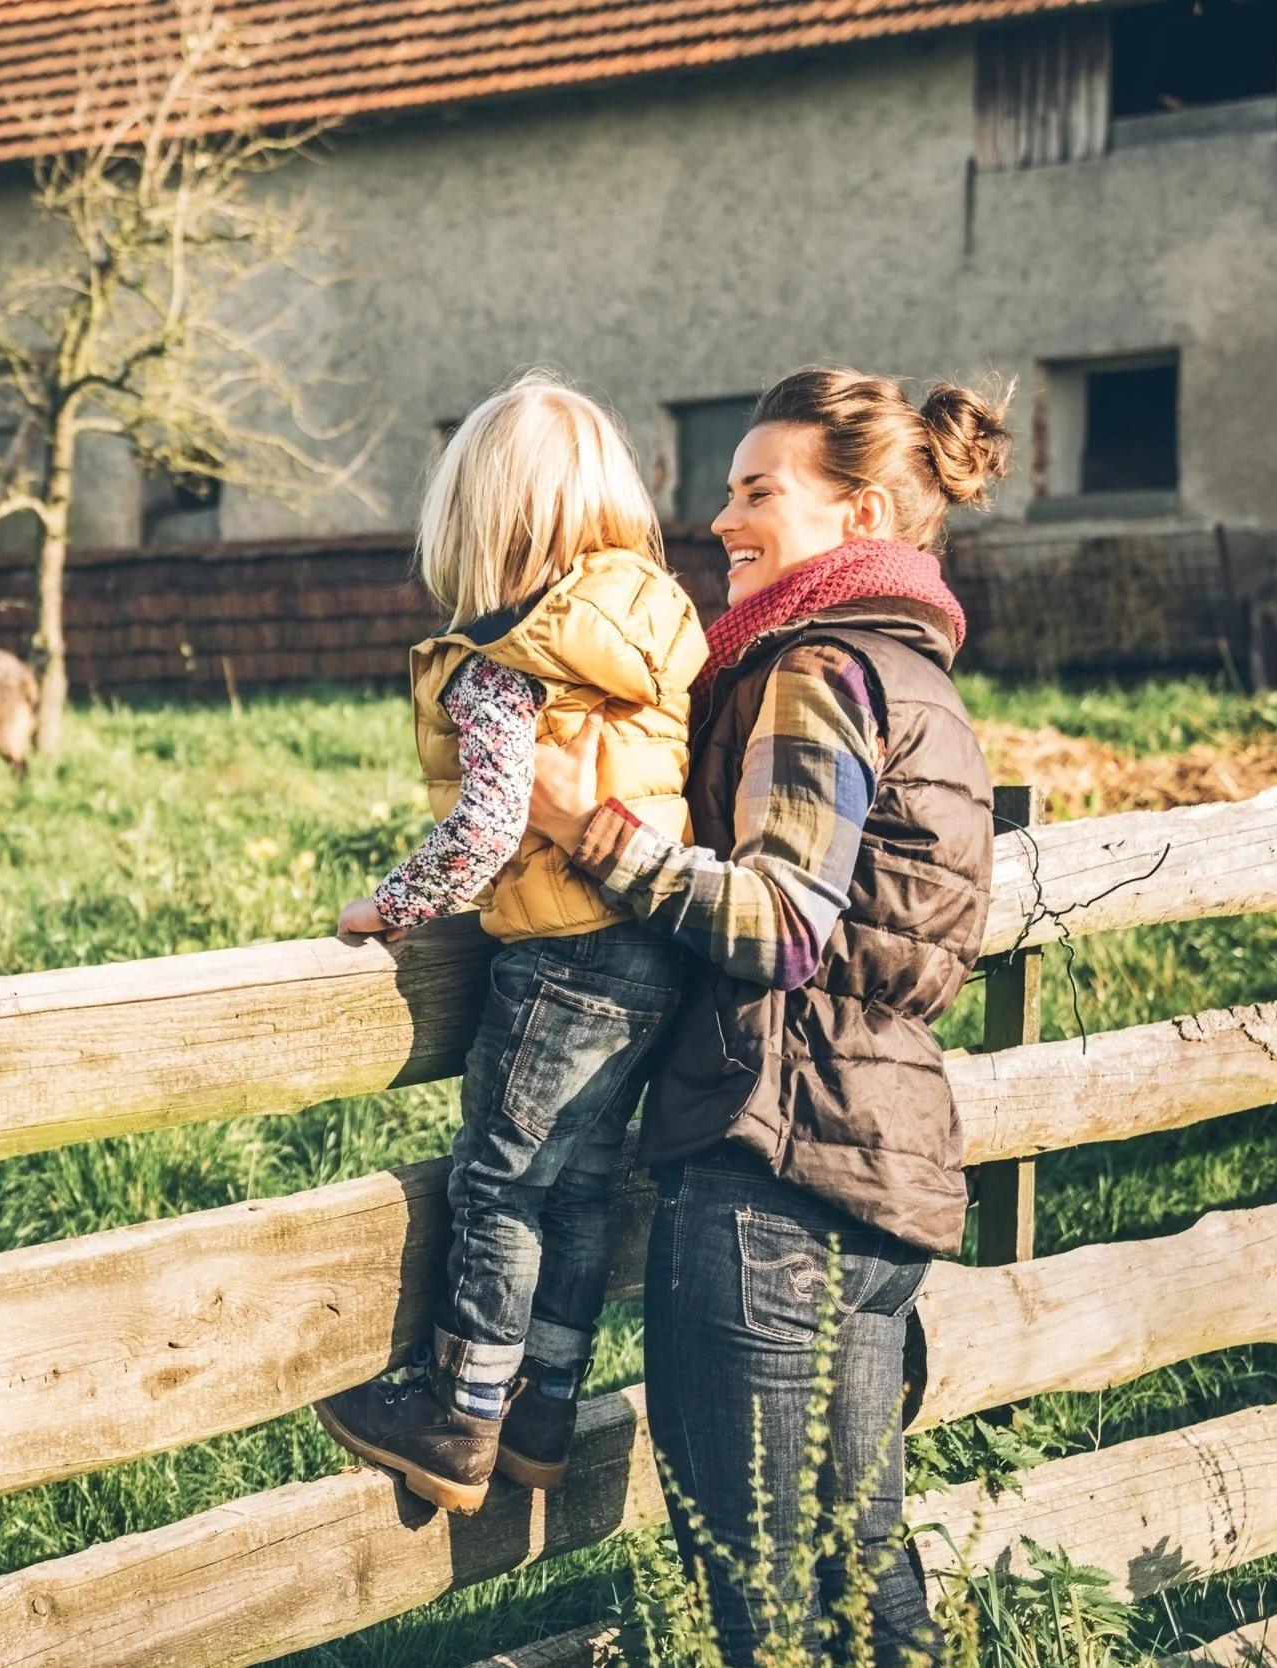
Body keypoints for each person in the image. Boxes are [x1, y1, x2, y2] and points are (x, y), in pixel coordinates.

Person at [526, 366, 1009, 1665]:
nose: (721, 518)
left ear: (858, 521)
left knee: (763, 1603)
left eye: (759, 492)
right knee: (861, 1573)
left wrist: (597, 837)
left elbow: (784, 925)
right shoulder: (918, 677)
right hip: (874, 1158)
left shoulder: (820, 667)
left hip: (772, 1169)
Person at [316, 372, 705, 1511]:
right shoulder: (649, 624)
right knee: (579, 1188)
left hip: (562, 949)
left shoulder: (507, 656)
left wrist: (387, 905)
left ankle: (458, 1415)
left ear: (481, 520)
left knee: (499, 1183)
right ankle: (542, 1410)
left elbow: (488, 823)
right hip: (654, 943)